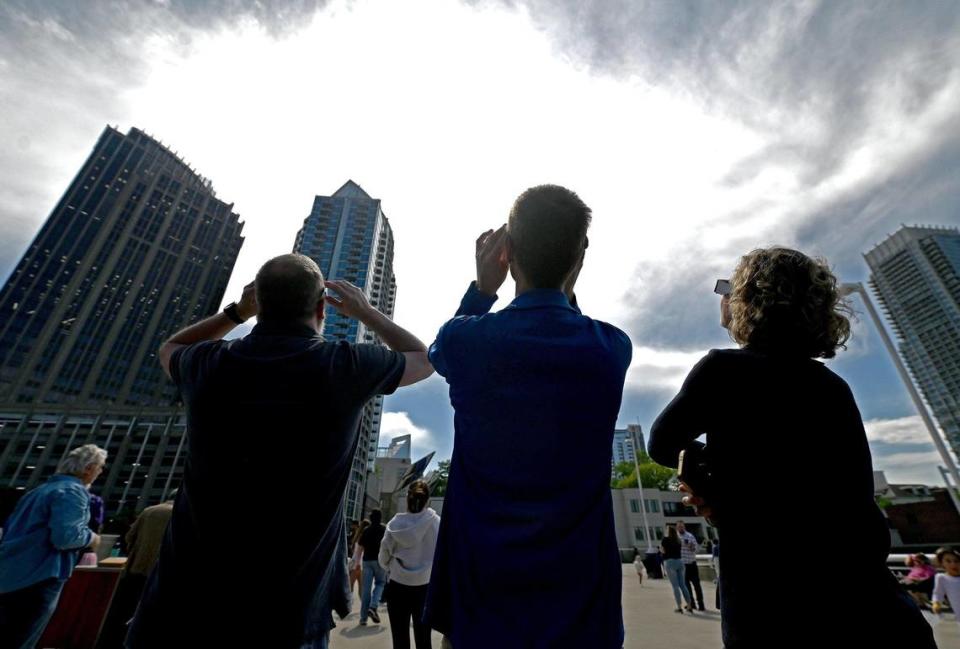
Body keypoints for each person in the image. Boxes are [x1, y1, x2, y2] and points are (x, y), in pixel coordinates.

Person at [125, 254, 434, 649]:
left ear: (260, 305)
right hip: (286, 616)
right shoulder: (344, 366)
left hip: (179, 608)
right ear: (322, 307)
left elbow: (171, 346)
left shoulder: (209, 363)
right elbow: (424, 361)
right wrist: (366, 312)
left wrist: (236, 313)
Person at [648, 247, 937, 648]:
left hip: (773, 606)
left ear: (748, 300)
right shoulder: (833, 387)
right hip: (871, 605)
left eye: (727, 287)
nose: (721, 296)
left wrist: (717, 480)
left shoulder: (723, 370)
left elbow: (662, 444)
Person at [424, 186, 632, 648]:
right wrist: (567, 277)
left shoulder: (467, 341)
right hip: (582, 609)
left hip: (481, 603)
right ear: (581, 257)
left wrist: (481, 290)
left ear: (507, 253)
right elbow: (570, 323)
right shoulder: (611, 349)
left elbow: (441, 351)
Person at [0, 444, 107, 649]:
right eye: (100, 467)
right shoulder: (73, 492)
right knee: (21, 638)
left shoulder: (38, 491)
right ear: (89, 468)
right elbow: (66, 537)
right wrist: (92, 538)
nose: (100, 472)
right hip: (40, 574)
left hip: (10, 571)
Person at [95, 492, 176, 649]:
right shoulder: (182, 513)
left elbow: (129, 537)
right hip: (159, 575)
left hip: (134, 569)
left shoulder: (150, 510)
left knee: (120, 614)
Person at [380, 480, 441, 649]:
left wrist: (391, 567)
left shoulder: (395, 524)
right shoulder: (436, 523)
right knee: (424, 640)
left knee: (400, 640)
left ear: (407, 498)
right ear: (428, 500)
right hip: (426, 587)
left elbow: (383, 557)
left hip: (398, 586)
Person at [358, 510, 387, 626]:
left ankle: (363, 619)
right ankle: (373, 606)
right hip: (380, 561)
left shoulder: (366, 530)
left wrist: (356, 562)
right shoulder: (384, 530)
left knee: (366, 590)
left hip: (367, 562)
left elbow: (360, 547)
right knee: (380, 583)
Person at [661, 526, 694, 614]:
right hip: (680, 562)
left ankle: (679, 607)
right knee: (683, 585)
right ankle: (689, 605)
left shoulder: (665, 539)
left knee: (675, 586)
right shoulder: (678, 540)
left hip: (669, 562)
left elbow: (663, 551)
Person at [676, 520, 705, 611]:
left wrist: (691, 546)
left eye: (682, 526)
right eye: (679, 527)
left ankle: (701, 604)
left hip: (692, 564)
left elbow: (696, 549)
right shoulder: (676, 537)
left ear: (684, 527)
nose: (681, 528)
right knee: (686, 586)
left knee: (697, 585)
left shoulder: (690, 536)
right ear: (677, 528)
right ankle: (691, 604)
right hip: (682, 565)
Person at [932, 547, 960, 631]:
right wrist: (936, 603)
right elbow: (938, 593)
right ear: (942, 563)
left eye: (956, 561)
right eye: (948, 561)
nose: (953, 564)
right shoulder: (941, 578)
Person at [349, 520, 369, 594]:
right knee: (361, 587)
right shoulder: (366, 537)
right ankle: (364, 604)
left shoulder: (357, 537)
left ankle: (349, 603)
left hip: (356, 563)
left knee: (351, 585)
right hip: (361, 563)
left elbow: (356, 551)